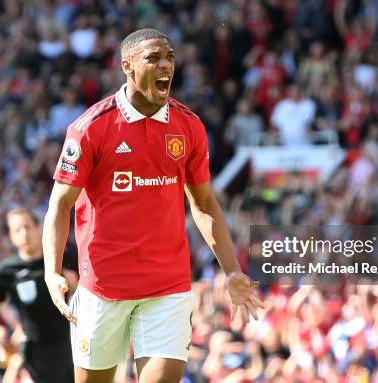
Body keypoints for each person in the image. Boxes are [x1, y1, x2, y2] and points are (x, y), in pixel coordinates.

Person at [43, 28, 264, 383]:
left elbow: (204, 202)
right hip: (103, 285)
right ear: (127, 66)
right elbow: (60, 204)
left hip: (168, 286)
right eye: (153, 58)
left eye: (170, 57)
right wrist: (51, 270)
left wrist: (232, 269)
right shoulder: (91, 127)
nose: (165, 65)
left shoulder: (188, 126)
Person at [0, 208, 76, 383]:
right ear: (11, 235)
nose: (24, 233)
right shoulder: (5, 272)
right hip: (39, 352)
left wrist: (75, 283)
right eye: (18, 229)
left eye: (27, 227)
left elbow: (87, 290)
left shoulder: (64, 256)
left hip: (74, 342)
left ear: (38, 228)